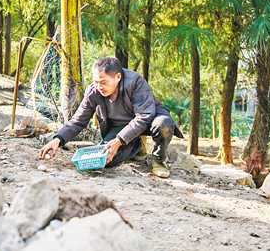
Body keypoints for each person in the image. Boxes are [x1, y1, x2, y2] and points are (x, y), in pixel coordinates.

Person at [38, 57, 183, 178]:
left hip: (148, 119)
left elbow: (145, 116)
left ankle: (158, 160)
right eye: (96, 82)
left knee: (163, 124)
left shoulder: (135, 82)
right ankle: (136, 146)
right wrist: (58, 139)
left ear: (118, 77)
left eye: (103, 82)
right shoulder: (93, 92)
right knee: (106, 160)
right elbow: (78, 120)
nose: (99, 86)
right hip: (120, 127)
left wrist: (119, 140)